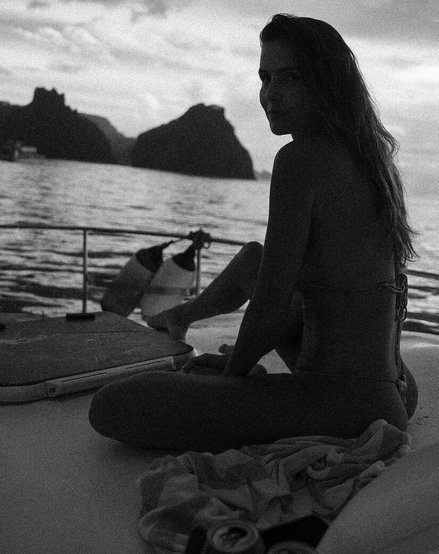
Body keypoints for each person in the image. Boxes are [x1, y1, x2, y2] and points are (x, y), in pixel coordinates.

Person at [89, 14, 418, 453]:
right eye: (265, 77)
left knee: (114, 405)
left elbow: (271, 302)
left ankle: (204, 342)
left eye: (290, 77)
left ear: (328, 83)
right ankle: (181, 316)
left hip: (343, 404)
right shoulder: (373, 161)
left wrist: (230, 379)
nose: (270, 93)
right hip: (396, 390)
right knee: (253, 260)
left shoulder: (299, 160)